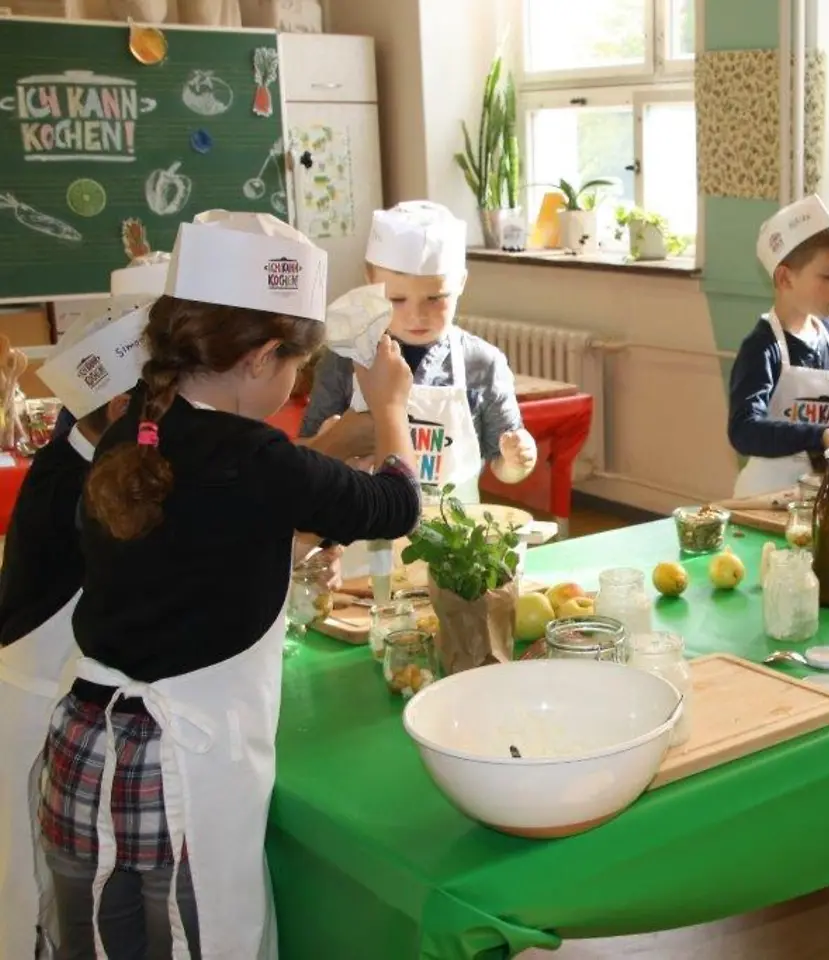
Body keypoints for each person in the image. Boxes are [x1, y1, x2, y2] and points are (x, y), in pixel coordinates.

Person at [27, 210, 422, 958]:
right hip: (170, 775)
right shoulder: (258, 455)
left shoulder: (135, 426)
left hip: (79, 754)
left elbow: (194, 536)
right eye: (294, 370)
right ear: (262, 357)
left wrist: (285, 544)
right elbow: (398, 504)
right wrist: (391, 404)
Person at [0, 256, 164, 960]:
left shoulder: (79, 454)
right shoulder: (88, 483)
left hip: (53, 704)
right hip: (41, 716)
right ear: (126, 408)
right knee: (38, 908)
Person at [299, 200, 537, 495]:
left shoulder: (483, 363)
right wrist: (332, 438)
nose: (417, 315)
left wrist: (518, 460)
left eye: (435, 298)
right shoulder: (344, 359)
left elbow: (502, 463)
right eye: (398, 299)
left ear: (461, 282)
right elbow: (310, 450)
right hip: (365, 532)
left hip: (454, 530)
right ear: (371, 279)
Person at [729, 194, 829, 497]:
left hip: (819, 498)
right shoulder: (762, 347)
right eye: (827, 275)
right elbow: (744, 430)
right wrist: (820, 436)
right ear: (785, 278)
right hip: (766, 499)